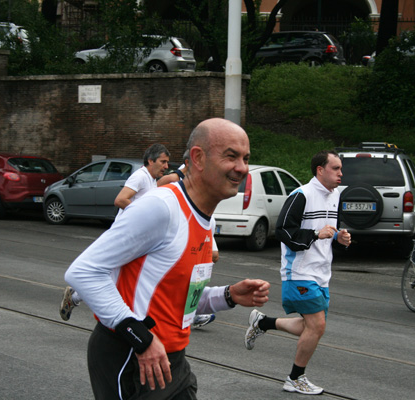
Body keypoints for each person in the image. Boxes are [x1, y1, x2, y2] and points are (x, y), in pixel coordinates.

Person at [64, 117, 270, 399]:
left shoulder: (205, 217)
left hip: (171, 360)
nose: (242, 168)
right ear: (198, 158)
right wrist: (141, 339)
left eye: (246, 158)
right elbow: (84, 271)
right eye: (231, 157)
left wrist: (229, 295)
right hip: (130, 356)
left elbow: (180, 298)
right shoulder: (160, 207)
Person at [244, 150, 351, 395]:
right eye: (336, 168)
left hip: (322, 272)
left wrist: (340, 238)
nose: (340, 173)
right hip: (300, 271)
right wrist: (315, 235)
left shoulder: (335, 196)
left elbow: (329, 230)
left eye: (340, 168)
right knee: (316, 325)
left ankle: (263, 323)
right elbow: (283, 231)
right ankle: (295, 378)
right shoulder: (301, 195)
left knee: (311, 326)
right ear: (320, 170)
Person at [59, 143, 170, 321]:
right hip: (124, 235)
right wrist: (142, 213)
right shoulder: (140, 176)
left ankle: (77, 297)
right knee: (110, 277)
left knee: (122, 277)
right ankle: (78, 298)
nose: (166, 166)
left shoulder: (151, 179)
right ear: (150, 160)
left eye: (167, 162)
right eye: (163, 162)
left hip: (137, 237)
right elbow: (120, 200)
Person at [158, 156, 218, 329]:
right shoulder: (173, 182)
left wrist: (231, 296)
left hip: (200, 235)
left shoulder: (203, 194)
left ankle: (192, 313)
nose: (166, 166)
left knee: (197, 276)